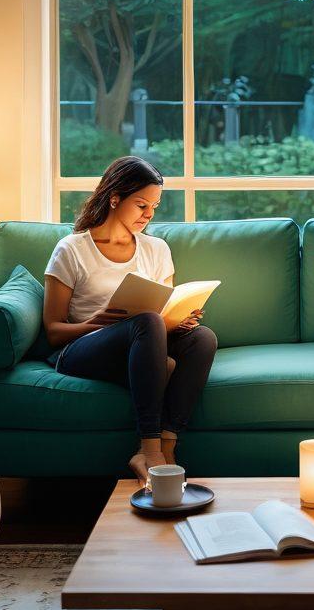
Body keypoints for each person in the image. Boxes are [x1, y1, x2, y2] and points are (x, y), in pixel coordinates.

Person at [43, 156, 217, 485]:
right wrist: (96, 322)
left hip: (143, 342)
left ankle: (167, 446)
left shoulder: (156, 249)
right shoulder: (72, 249)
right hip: (82, 349)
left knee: (202, 338)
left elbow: (161, 313)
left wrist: (177, 319)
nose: (149, 215)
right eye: (141, 205)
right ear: (114, 198)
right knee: (148, 323)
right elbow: (53, 331)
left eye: (154, 206)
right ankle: (147, 450)